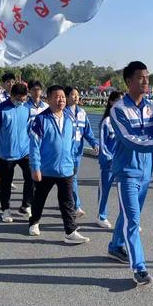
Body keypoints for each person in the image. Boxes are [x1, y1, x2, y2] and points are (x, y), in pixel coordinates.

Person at [107, 61, 153, 285]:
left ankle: (114, 246)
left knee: (128, 215)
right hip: (127, 171)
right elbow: (130, 140)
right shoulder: (118, 109)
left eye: (147, 77)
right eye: (141, 78)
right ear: (129, 81)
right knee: (133, 219)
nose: (146, 81)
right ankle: (139, 268)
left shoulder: (150, 105)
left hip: (146, 172)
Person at [28, 85, 90, 244]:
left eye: (63, 96)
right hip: (46, 170)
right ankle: (34, 222)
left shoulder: (70, 119)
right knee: (39, 199)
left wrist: (72, 162)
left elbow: (71, 144)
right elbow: (34, 146)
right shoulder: (40, 120)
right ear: (48, 99)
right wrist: (35, 167)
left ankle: (70, 231)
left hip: (66, 169)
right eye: (57, 97)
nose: (61, 100)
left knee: (67, 202)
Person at [0, 82, 33, 223]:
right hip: (6, 153)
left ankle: (26, 205)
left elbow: (28, 130)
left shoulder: (26, 109)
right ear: (12, 96)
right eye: (20, 99)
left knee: (31, 177)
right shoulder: (0, 110)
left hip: (24, 151)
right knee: (6, 183)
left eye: (24, 99)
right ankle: (6, 210)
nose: (22, 101)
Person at [65, 85, 99, 218]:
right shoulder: (63, 112)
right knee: (71, 178)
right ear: (67, 97)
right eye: (73, 94)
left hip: (77, 151)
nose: (76, 97)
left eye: (77, 95)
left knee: (71, 178)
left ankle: (69, 202)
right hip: (65, 151)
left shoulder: (82, 113)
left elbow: (87, 131)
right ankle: (76, 205)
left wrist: (94, 143)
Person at [97, 91, 123, 229]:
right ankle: (101, 216)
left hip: (122, 164)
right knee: (105, 191)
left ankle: (127, 219)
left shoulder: (124, 120)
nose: (121, 103)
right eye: (118, 100)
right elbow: (102, 144)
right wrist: (110, 160)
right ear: (111, 102)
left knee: (124, 194)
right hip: (109, 164)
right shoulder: (106, 122)